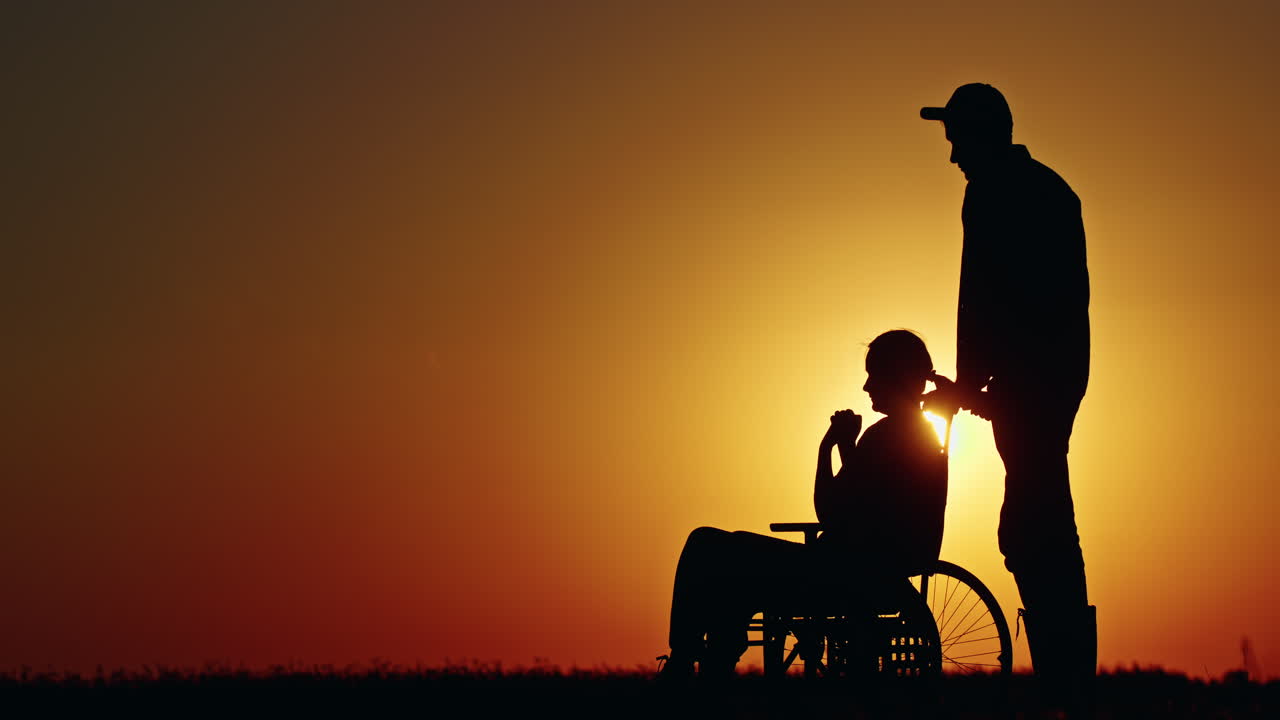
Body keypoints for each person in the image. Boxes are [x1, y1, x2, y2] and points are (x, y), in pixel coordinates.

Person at [919, 83, 1096, 713]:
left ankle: (1064, 683)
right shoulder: (1053, 190)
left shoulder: (992, 192)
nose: (952, 157)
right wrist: (979, 388)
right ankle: (1066, 679)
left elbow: (980, 295)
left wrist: (969, 385)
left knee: (1032, 523)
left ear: (982, 136)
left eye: (957, 142)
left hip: (1029, 384)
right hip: (1053, 379)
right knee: (1040, 518)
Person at [660, 330, 947, 678]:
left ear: (895, 377)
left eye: (874, 375)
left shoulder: (887, 436)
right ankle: (711, 665)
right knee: (731, 558)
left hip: (840, 574)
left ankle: (686, 661)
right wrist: (849, 446)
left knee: (706, 544)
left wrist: (828, 446)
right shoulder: (916, 434)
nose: (866, 386)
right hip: (868, 569)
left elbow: (830, 511)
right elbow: (866, 499)